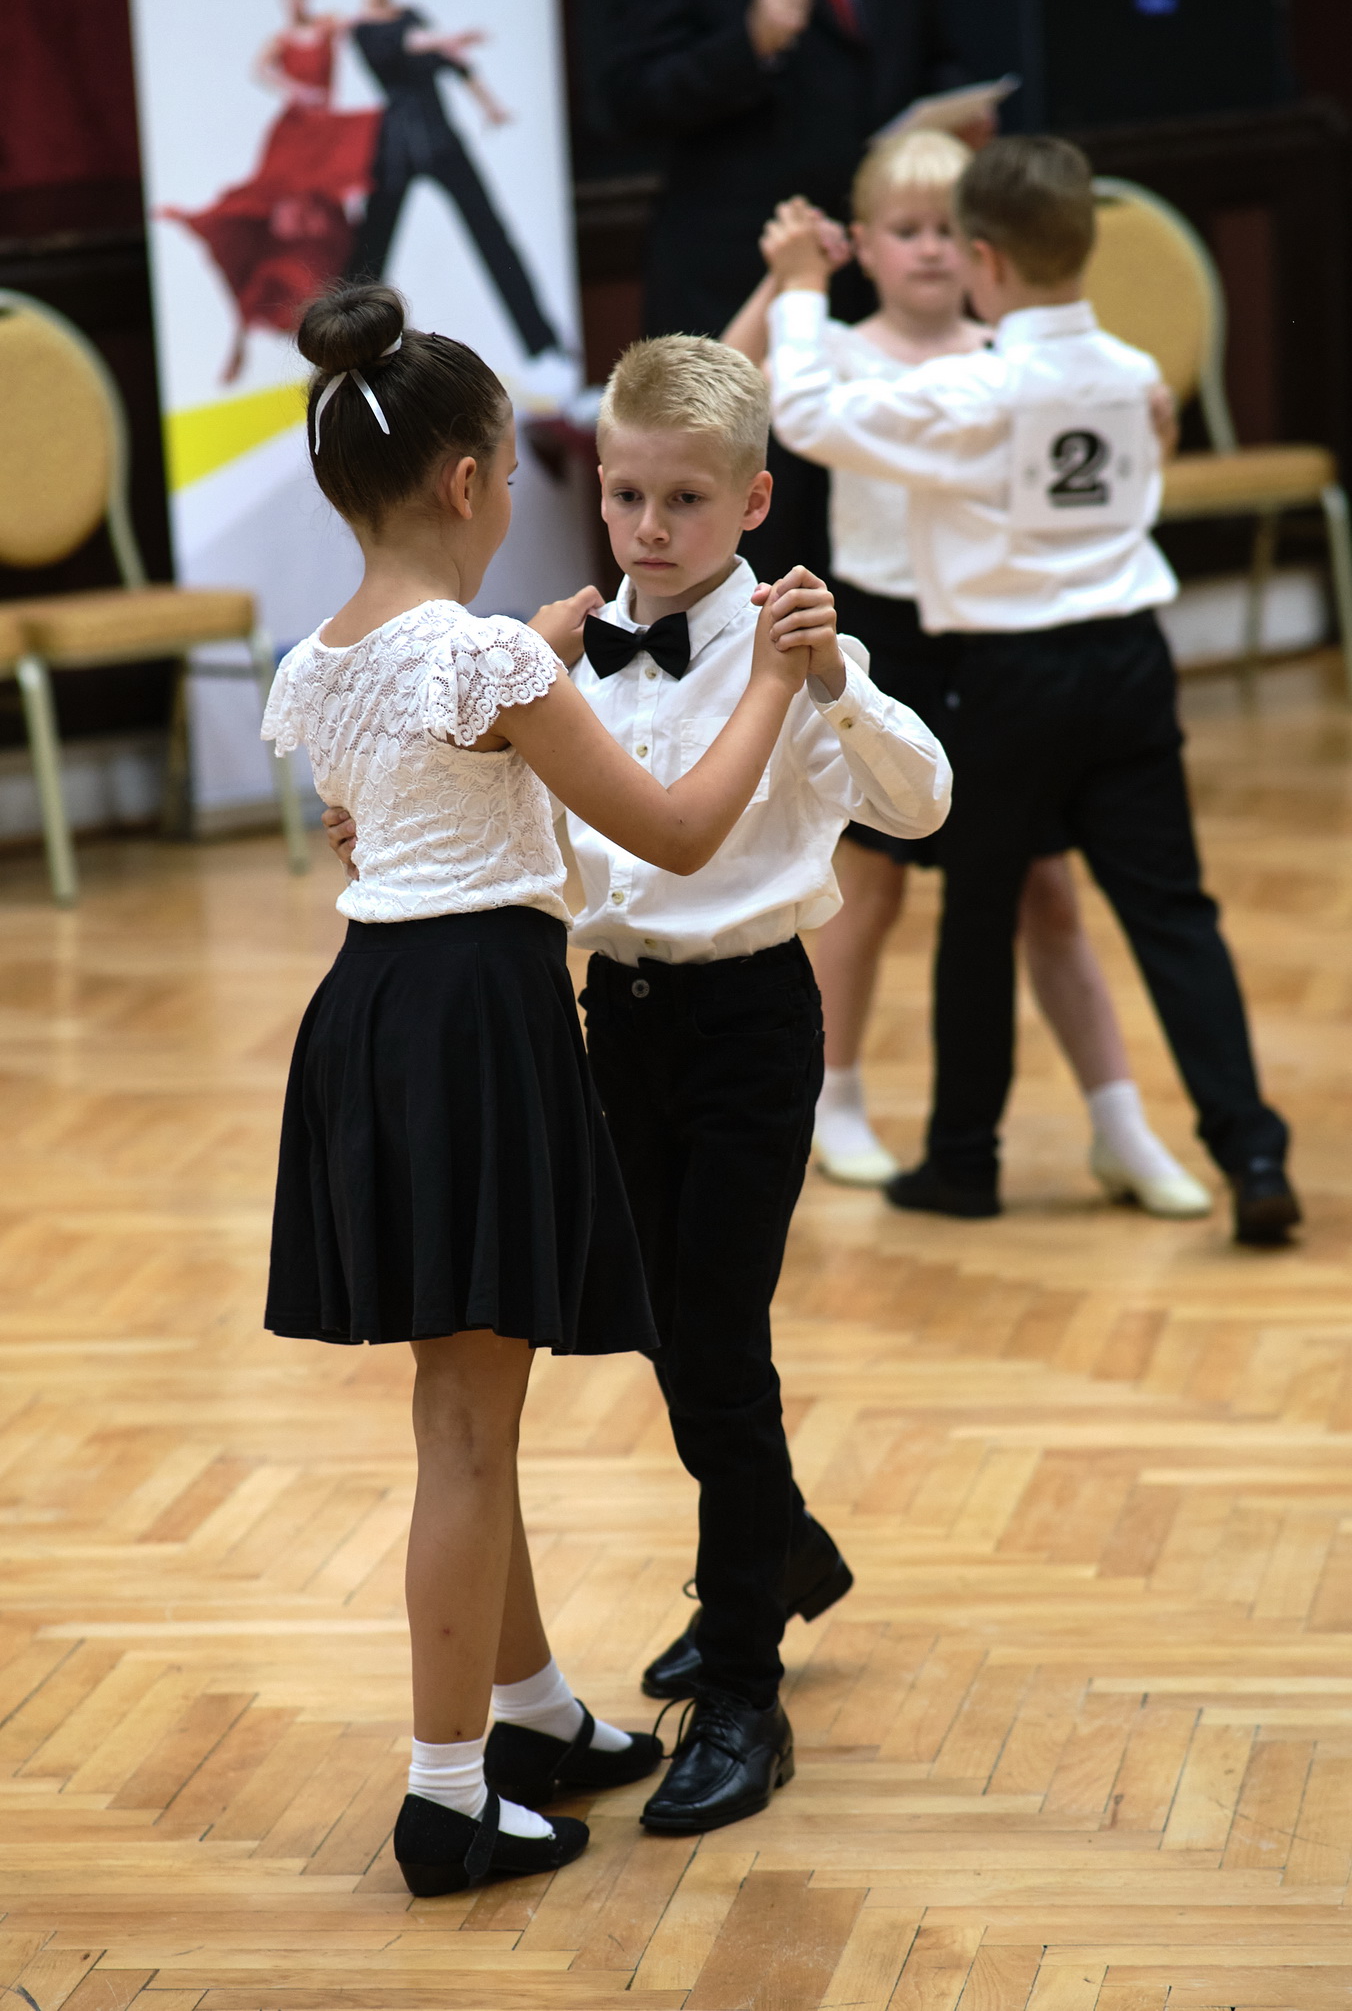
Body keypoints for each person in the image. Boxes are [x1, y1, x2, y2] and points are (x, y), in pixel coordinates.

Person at [327, 332, 951, 1834]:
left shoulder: (793, 642)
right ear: (595, 488)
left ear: (753, 503)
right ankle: (776, 1549)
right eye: (625, 496)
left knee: (720, 1344)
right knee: (665, 1332)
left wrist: (837, 684)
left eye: (684, 500)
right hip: (610, 1021)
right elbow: (556, 835)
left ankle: (741, 1685)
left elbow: (925, 805)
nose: (649, 528)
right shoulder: (555, 651)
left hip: (749, 1026)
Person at [263, 284, 820, 1897]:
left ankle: (531, 1711)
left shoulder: (321, 662)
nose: (522, 496)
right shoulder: (493, 654)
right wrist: (773, 681)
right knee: (466, 1425)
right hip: (474, 1024)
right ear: (466, 483)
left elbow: (387, 817)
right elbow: (679, 831)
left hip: (372, 1013)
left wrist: (543, 669)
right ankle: (447, 1794)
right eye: (515, 472)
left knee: (465, 1401)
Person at [763, 135, 1300, 1246]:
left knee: (979, 916)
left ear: (985, 259)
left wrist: (804, 289)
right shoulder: (1133, 374)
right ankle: (1250, 1149)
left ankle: (963, 1163)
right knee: (1174, 912)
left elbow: (804, 414)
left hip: (1011, 678)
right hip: (1133, 666)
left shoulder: (973, 390)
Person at [598, 0, 979, 581]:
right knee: (736, 487)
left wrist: (956, 110)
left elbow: (933, 54)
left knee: (869, 501)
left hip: (880, 270)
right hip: (737, 268)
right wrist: (750, 40)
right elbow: (625, 99)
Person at [348, 0, 570, 399]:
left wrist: (489, 104)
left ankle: (543, 346)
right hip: (396, 149)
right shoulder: (362, 29)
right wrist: (445, 39)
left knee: (492, 235)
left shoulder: (411, 16)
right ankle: (345, 351)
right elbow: (406, 45)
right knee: (369, 252)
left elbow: (453, 61)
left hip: (443, 140)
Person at [162, 0, 380, 384]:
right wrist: (293, 89)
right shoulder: (280, 40)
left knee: (328, 236)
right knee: (272, 228)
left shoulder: (326, 26)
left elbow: (362, 19)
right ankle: (246, 334)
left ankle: (336, 341)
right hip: (293, 137)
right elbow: (259, 70)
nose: (295, 1)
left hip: (324, 139)